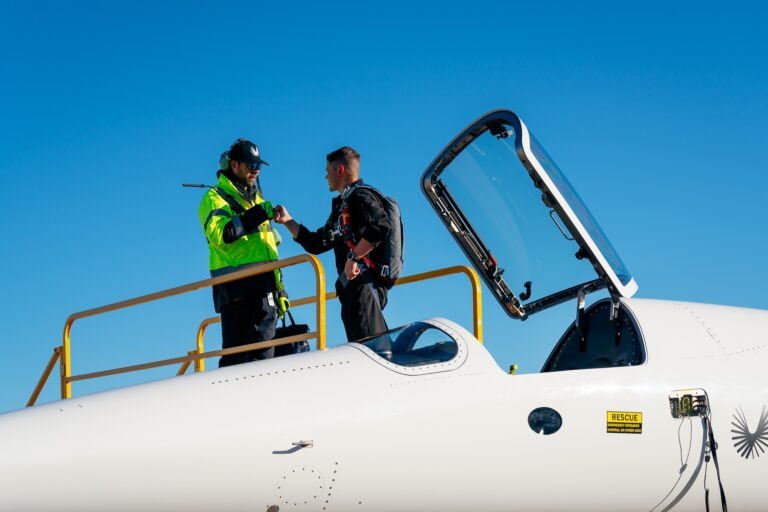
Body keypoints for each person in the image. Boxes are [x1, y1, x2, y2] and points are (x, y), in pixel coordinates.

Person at [274, 146, 393, 342]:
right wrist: (287, 220)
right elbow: (316, 243)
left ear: (340, 170)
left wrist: (354, 257)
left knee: (373, 351)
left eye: (327, 171)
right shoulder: (343, 205)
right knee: (360, 350)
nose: (326, 177)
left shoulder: (360, 197)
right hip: (352, 293)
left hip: (364, 289)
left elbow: (381, 226)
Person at [198, 138, 284, 367]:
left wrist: (280, 289)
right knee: (236, 362)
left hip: (265, 290)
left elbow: (268, 249)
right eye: (249, 165)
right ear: (233, 165)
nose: (255, 170)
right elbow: (222, 235)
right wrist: (255, 215)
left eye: (258, 165)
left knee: (265, 363)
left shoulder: (256, 199)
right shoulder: (214, 197)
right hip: (236, 290)